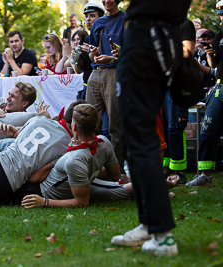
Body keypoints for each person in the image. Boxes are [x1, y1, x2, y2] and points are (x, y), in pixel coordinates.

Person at [111, 0, 192, 256]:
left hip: (148, 37)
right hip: (150, 36)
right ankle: (149, 223)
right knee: (133, 141)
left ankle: (162, 234)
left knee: (140, 139)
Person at [13, 103, 127, 208]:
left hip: (41, 192)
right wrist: (89, 172)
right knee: (121, 190)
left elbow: (82, 203)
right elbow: (114, 175)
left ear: (74, 126)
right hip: (79, 183)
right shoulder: (104, 142)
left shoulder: (75, 159)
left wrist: (44, 202)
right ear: (96, 125)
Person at [0, 114, 72, 208]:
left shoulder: (39, 119)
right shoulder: (67, 147)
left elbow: (19, 136)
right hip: (7, 184)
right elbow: (34, 178)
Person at [86, 0, 126, 172]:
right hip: (95, 74)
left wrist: (112, 57)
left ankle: (118, 172)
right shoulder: (98, 23)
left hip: (115, 73)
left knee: (115, 126)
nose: (107, 0)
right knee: (86, 121)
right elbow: (91, 54)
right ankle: (90, 168)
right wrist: (93, 54)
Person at [188, 1, 223, 187]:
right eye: (221, 15)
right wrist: (210, 54)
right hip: (219, 89)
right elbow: (214, 65)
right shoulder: (220, 35)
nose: (222, 18)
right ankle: (205, 176)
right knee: (207, 132)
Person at [162, 18, 196, 184]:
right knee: (162, 129)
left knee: (175, 128)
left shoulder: (184, 24)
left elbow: (187, 52)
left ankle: (179, 171)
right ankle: (164, 170)